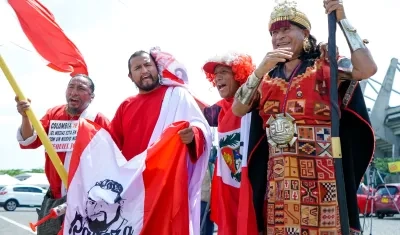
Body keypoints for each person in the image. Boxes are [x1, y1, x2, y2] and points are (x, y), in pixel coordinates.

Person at [232, 0, 377, 234]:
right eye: (274, 32)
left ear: (305, 32)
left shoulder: (325, 64)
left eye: (286, 29)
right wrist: (260, 69)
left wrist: (342, 19)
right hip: (278, 181)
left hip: (323, 179)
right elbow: (238, 109)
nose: (279, 36)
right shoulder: (266, 77)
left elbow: (367, 69)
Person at [108, 47, 212, 234]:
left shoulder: (177, 95)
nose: (144, 70)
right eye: (137, 68)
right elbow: (110, 145)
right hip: (133, 190)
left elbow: (201, 128)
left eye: (148, 65)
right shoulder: (126, 106)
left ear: (157, 69)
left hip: (166, 188)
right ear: (131, 76)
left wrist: (193, 136)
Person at [15, 74, 110, 234]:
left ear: (91, 97)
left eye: (81, 88)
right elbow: (29, 141)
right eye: (71, 87)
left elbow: (115, 158)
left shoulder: (98, 120)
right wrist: (26, 117)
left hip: (85, 199)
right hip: (55, 197)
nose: (74, 92)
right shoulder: (54, 114)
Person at [201, 52, 269, 235]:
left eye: (224, 71)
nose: (218, 78)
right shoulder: (220, 108)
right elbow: (198, 112)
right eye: (215, 75)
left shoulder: (258, 101)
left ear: (239, 74)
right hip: (229, 191)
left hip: (256, 189)